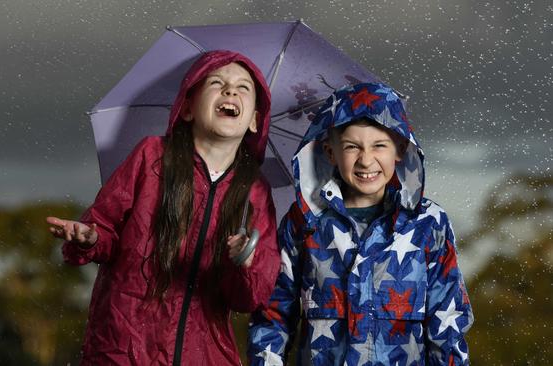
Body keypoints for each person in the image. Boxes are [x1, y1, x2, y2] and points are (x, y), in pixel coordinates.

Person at [46, 50, 280, 365]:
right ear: (186, 107)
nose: (230, 91)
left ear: (254, 120)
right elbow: (105, 228)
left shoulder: (254, 191)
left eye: (243, 88)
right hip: (125, 347)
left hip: (204, 355)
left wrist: (244, 263)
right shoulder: (151, 156)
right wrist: (91, 237)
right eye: (217, 83)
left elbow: (249, 298)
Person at [248, 83, 473, 365]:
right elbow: (273, 317)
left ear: (401, 149)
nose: (366, 160)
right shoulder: (303, 222)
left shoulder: (429, 225)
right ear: (330, 152)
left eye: (379, 145)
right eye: (352, 147)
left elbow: (447, 326)